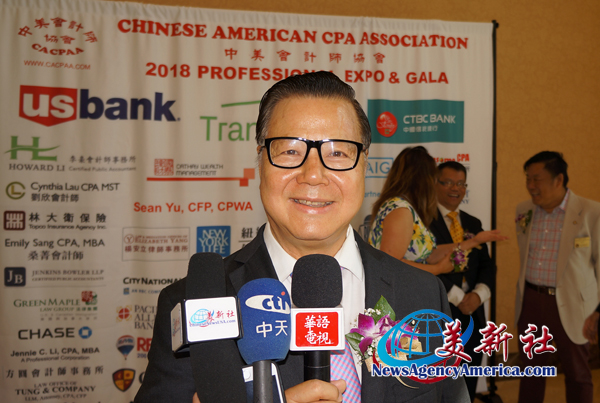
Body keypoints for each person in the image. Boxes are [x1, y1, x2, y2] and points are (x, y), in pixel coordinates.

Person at [135, 72, 470, 402]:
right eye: (290, 151)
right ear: (260, 161)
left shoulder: (422, 294)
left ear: (364, 165)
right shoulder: (194, 305)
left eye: (338, 153)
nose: (313, 175)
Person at [515, 151, 600, 403]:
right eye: (528, 178)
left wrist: (598, 311)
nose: (530, 185)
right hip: (531, 301)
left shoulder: (591, 212)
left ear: (558, 179)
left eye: (537, 179)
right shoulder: (524, 210)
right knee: (531, 372)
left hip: (574, 304)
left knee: (577, 374)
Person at [368, 147, 505, 275]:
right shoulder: (400, 210)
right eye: (433, 177)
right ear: (423, 179)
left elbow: (430, 255)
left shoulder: (405, 207)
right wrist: (437, 269)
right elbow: (391, 263)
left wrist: (474, 241)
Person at [429, 161, 495, 402]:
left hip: (474, 313)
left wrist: (478, 295)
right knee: (441, 381)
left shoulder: (472, 223)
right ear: (435, 184)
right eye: (447, 182)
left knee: (469, 378)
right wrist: (458, 296)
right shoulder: (423, 221)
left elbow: (487, 265)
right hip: (440, 312)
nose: (455, 189)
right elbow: (423, 265)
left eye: (460, 184)